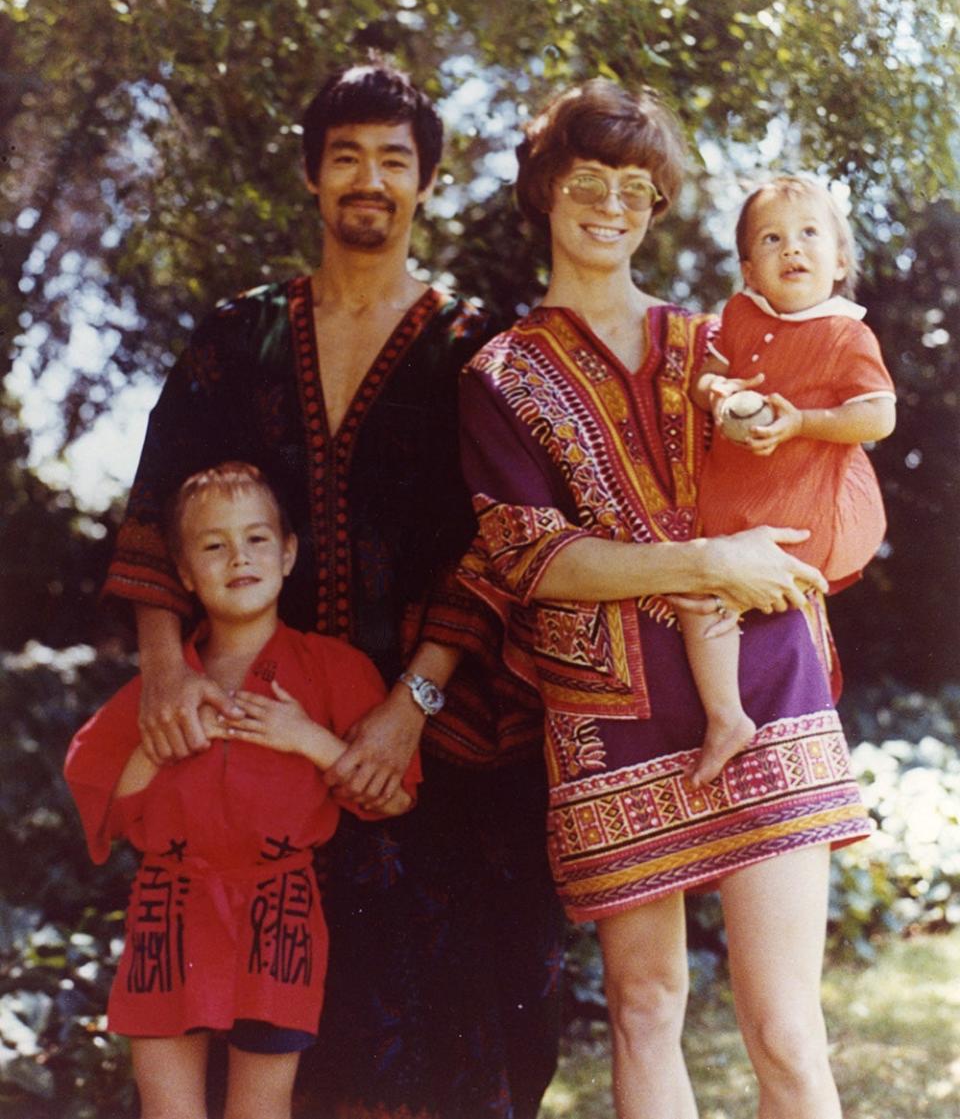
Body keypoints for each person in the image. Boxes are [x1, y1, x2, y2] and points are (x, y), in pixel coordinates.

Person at [102, 60, 562, 1119]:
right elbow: (155, 500)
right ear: (311, 177)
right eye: (345, 156)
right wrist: (167, 670)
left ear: (426, 183)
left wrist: (413, 706)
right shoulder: (239, 335)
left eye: (393, 160)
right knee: (275, 1034)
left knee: (458, 1014)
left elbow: (496, 544)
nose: (369, 179)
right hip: (256, 736)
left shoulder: (472, 348)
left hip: (430, 745)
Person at [458, 78, 873, 1119]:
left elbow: (834, 455)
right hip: (610, 716)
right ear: (546, 188)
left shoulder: (718, 344)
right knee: (647, 1006)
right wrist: (709, 564)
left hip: (769, 680)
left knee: (785, 1026)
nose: (612, 204)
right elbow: (532, 557)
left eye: (638, 189)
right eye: (590, 179)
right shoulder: (500, 373)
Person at [66, 462, 418, 1119]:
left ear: (287, 554)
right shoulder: (164, 688)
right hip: (169, 907)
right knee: (170, 1110)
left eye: (256, 539)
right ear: (183, 571)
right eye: (213, 544)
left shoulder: (333, 669)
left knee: (260, 1108)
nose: (238, 557)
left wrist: (306, 736)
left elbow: (391, 797)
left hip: (277, 909)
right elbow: (107, 806)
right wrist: (161, 731)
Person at [678, 174, 896, 785]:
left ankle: (738, 716)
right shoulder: (741, 313)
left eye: (808, 234)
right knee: (700, 589)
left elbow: (879, 413)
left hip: (804, 504)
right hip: (739, 500)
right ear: (749, 270)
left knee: (717, 593)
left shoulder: (846, 332)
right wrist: (717, 394)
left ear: (840, 260)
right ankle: (728, 717)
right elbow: (707, 375)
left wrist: (802, 421)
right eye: (771, 239)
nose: (791, 249)